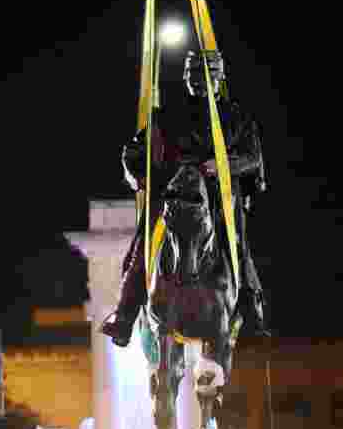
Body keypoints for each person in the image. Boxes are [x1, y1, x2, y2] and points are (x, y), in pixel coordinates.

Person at [99, 49, 268, 347]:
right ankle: (124, 315)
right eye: (193, 76)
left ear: (219, 79)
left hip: (216, 199)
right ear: (186, 78)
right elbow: (134, 151)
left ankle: (251, 310)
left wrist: (222, 166)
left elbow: (253, 159)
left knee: (238, 247)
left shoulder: (237, 118)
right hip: (171, 196)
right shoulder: (166, 115)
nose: (199, 82)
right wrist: (135, 174)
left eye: (206, 76)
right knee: (145, 247)